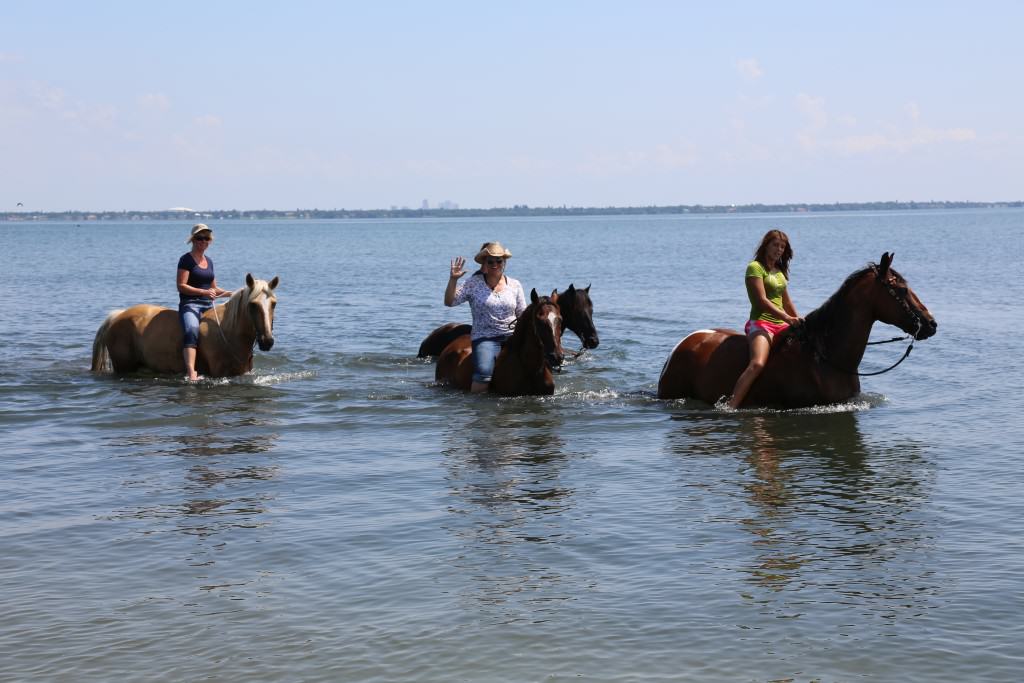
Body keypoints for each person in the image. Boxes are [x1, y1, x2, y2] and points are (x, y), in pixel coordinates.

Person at [728, 229, 802, 409]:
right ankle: (730, 407)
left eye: (782, 247)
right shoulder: (755, 267)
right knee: (758, 363)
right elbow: (761, 301)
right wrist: (786, 317)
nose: (779, 250)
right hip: (761, 323)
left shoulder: (779, 271)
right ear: (766, 246)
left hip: (782, 324)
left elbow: (786, 301)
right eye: (775, 245)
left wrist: (797, 318)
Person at [444, 241, 527, 393]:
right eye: (490, 261)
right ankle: (479, 407)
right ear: (484, 263)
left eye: (498, 261)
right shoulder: (473, 283)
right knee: (483, 372)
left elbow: (522, 314)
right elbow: (450, 302)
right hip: (485, 337)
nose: (494, 264)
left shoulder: (515, 285)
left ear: (504, 262)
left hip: (512, 336)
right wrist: (453, 279)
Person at [176, 224, 231, 381]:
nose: (203, 241)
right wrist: (204, 292)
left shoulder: (209, 261)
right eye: (200, 238)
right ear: (193, 240)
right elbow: (181, 286)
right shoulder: (186, 259)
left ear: (210, 241)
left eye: (206, 238)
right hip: (190, 304)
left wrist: (232, 294)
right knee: (191, 330)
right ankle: (191, 372)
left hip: (208, 305)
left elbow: (213, 288)